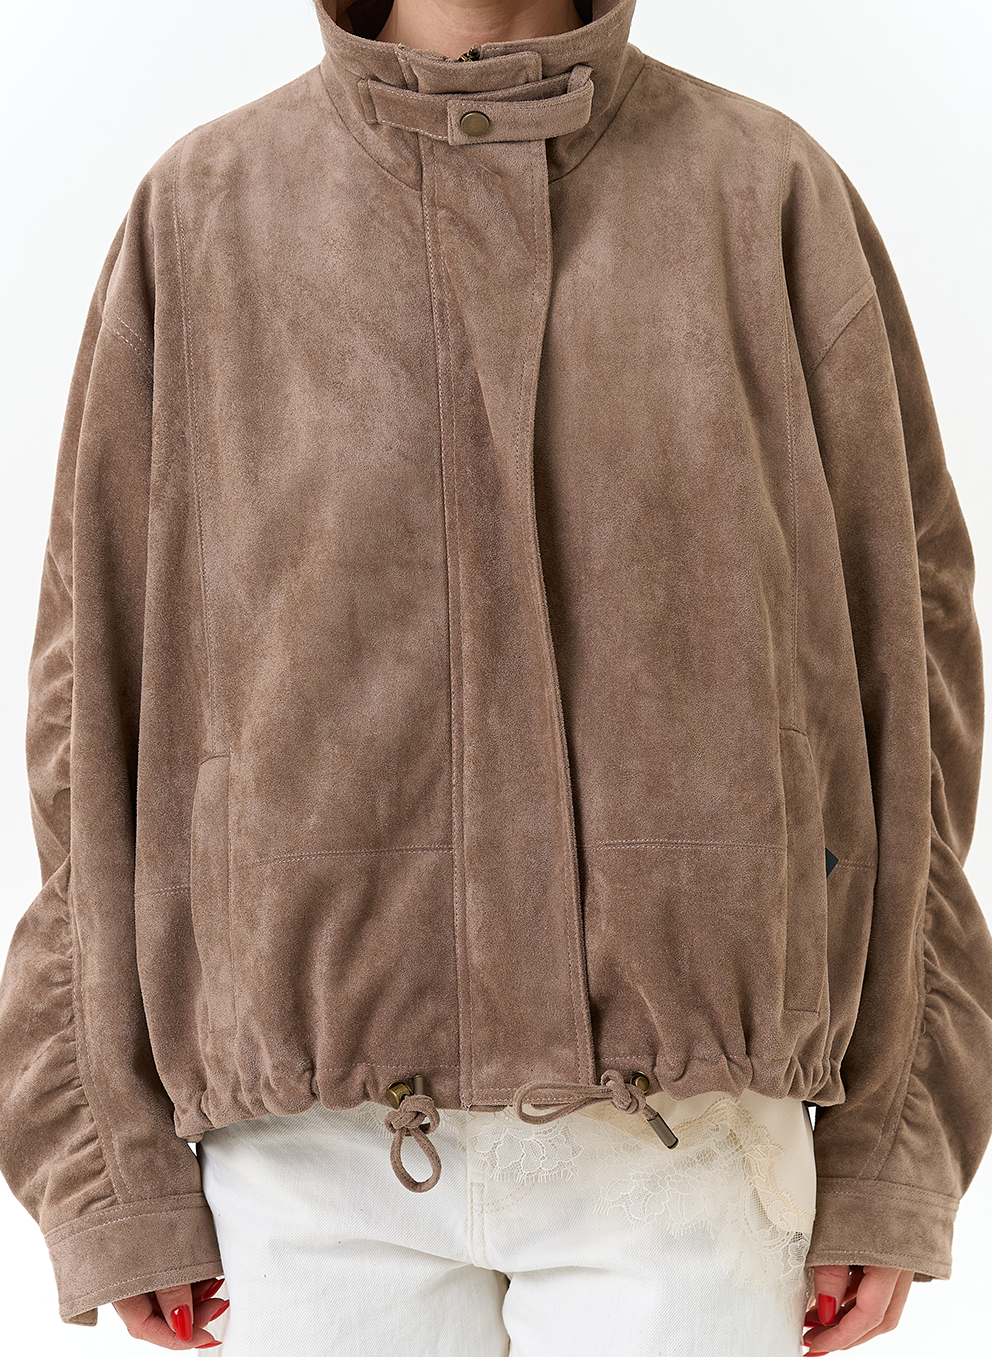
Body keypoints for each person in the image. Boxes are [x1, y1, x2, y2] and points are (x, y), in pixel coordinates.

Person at [1, 0, 990, 1353]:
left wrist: (891, 1138)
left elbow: (909, 668)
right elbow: (90, 694)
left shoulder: (763, 191)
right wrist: (112, 1164)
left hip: (688, 1151)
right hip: (306, 1166)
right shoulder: (206, 210)